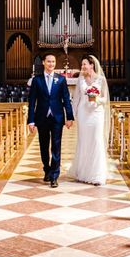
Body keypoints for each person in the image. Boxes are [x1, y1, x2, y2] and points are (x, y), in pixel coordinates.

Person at [27, 53, 74, 188]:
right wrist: (31, 120)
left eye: (53, 62)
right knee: (43, 145)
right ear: (43, 63)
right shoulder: (37, 80)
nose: (51, 64)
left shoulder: (61, 80)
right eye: (49, 61)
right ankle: (46, 169)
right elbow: (32, 102)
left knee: (56, 146)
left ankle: (54, 175)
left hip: (57, 117)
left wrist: (69, 117)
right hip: (41, 117)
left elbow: (66, 99)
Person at [68, 55, 109, 186]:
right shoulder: (80, 80)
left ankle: (97, 174)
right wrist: (71, 115)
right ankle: (83, 173)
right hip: (83, 114)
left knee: (97, 140)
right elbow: (76, 99)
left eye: (85, 64)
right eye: (82, 65)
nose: (83, 67)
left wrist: (96, 99)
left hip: (96, 113)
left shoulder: (101, 79)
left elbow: (105, 99)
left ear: (92, 65)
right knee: (83, 141)